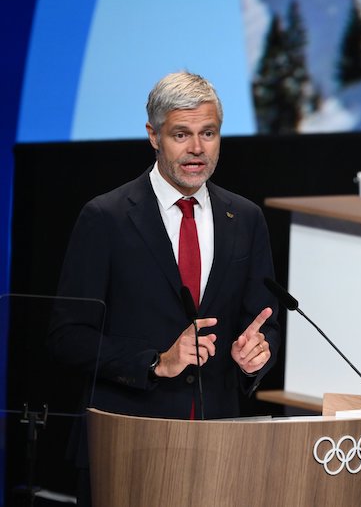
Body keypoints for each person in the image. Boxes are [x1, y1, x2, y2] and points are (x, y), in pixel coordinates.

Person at [47, 71, 281, 505]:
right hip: (128, 444)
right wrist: (156, 362)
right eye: (181, 134)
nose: (197, 149)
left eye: (208, 133)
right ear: (153, 136)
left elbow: (263, 321)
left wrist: (256, 353)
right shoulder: (107, 217)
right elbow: (67, 337)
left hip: (219, 445)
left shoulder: (245, 219)